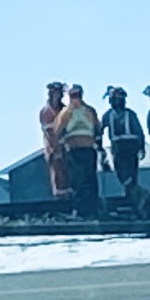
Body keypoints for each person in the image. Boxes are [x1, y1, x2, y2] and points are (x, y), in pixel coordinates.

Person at [54, 84, 102, 217]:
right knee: (78, 181)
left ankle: (93, 210)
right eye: (72, 95)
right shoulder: (65, 114)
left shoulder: (89, 111)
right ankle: (79, 210)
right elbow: (58, 131)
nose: (75, 98)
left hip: (89, 149)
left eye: (77, 95)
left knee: (91, 180)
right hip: (73, 151)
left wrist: (100, 146)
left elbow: (97, 128)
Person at [101, 86, 146, 192]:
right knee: (121, 173)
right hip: (118, 147)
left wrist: (141, 147)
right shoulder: (108, 115)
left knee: (131, 173)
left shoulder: (130, 114)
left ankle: (136, 196)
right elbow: (99, 130)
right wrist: (100, 150)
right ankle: (136, 194)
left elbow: (139, 132)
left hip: (131, 146)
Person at [39, 82, 71, 199]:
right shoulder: (46, 112)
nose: (58, 96)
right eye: (55, 93)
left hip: (67, 147)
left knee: (69, 173)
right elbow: (50, 133)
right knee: (58, 172)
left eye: (60, 93)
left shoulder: (66, 110)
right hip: (53, 148)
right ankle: (59, 197)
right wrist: (56, 149)